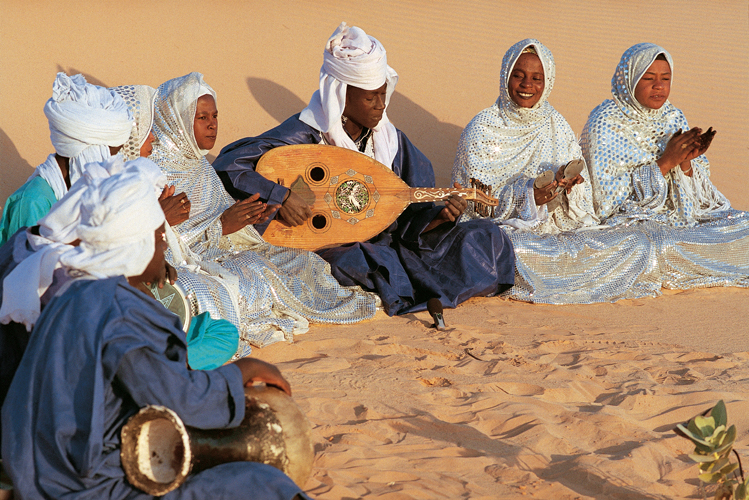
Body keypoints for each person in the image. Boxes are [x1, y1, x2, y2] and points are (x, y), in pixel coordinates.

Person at [1, 166, 308, 500]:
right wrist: (243, 370)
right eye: (160, 237)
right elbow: (182, 399)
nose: (164, 247)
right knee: (262, 482)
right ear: (135, 244)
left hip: (41, 468)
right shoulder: (118, 313)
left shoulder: (76, 292)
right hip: (83, 486)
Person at [213, 22, 515, 315]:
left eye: (383, 94)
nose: (380, 105)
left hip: (387, 242)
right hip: (331, 245)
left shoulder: (391, 141)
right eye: (371, 97)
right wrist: (281, 195)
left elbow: (408, 218)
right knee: (361, 260)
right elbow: (230, 163)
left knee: (487, 237)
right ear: (341, 94)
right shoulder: (306, 134)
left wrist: (438, 217)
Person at [150, 71, 379, 352]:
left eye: (215, 116)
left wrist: (252, 218)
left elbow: (223, 221)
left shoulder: (199, 166)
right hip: (186, 267)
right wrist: (220, 227)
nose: (212, 125)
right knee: (253, 273)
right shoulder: (154, 172)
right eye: (202, 118)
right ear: (177, 121)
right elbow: (158, 242)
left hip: (222, 252)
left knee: (303, 262)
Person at [451, 39, 659, 304]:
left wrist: (572, 187)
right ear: (506, 77)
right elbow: (473, 205)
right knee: (513, 252)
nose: (528, 85)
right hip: (512, 234)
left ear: (547, 81)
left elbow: (585, 205)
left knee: (635, 244)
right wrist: (528, 196)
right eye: (519, 76)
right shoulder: (481, 128)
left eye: (537, 78)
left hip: (558, 232)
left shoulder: (556, 123)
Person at [581, 43, 749, 291]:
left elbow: (702, 197)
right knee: (644, 247)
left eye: (665, 78)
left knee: (743, 228)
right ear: (629, 80)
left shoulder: (673, 116)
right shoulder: (605, 120)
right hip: (635, 226)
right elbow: (605, 202)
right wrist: (664, 163)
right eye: (648, 78)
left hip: (683, 222)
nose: (658, 86)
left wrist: (686, 163)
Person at [0, 73, 132, 245]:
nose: (112, 163)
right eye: (111, 154)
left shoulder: (68, 190)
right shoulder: (34, 201)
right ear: (89, 152)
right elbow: (31, 266)